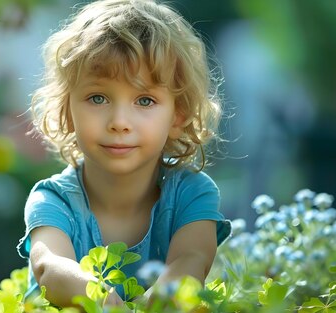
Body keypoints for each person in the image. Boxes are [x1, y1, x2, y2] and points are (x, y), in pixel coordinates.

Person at [16, 0, 232, 308]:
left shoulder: (192, 193)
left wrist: (150, 306)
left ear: (178, 116)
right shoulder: (53, 200)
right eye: (98, 97)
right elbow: (49, 267)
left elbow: (192, 260)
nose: (119, 122)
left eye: (144, 101)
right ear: (66, 111)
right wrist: (103, 301)